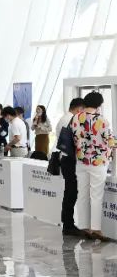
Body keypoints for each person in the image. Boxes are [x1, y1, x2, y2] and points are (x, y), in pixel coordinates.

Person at [71, 92, 116, 241]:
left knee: (82, 194)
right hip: (97, 162)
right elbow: (110, 141)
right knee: (96, 195)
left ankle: (84, 227)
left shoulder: (76, 118)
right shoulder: (102, 120)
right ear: (99, 104)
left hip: (81, 161)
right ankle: (96, 229)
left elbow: (75, 137)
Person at [57, 98, 86, 237]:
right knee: (71, 192)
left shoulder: (63, 118)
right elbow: (77, 142)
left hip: (65, 159)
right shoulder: (72, 119)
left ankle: (67, 223)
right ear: (79, 109)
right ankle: (68, 225)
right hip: (70, 160)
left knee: (69, 191)